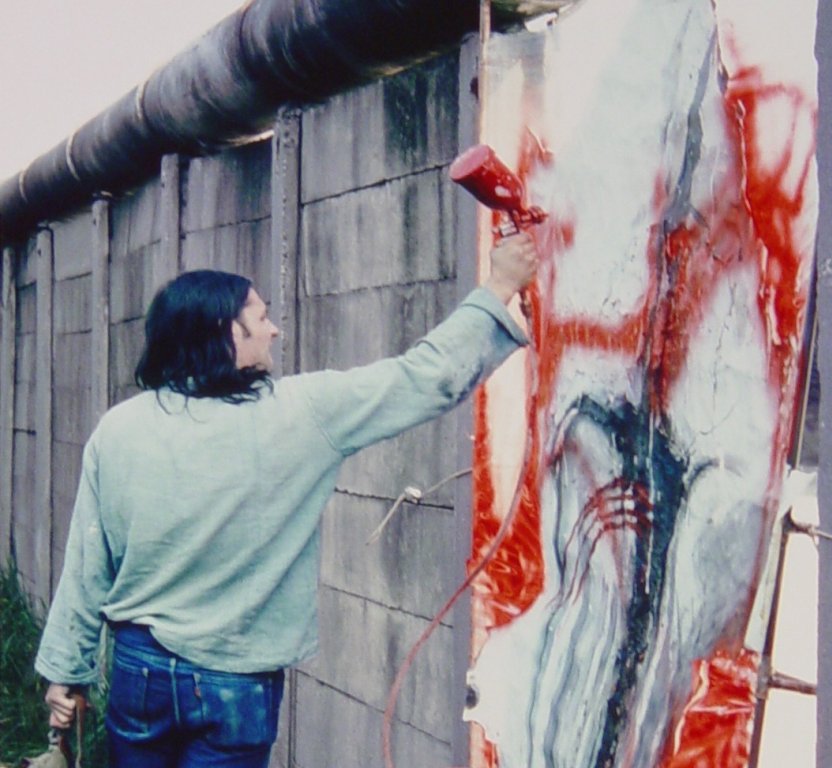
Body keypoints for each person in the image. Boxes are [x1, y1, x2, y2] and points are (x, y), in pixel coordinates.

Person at [34, 232, 538, 768]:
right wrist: (500, 286)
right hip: (235, 679)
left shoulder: (120, 428)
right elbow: (426, 378)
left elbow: (88, 562)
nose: (274, 328)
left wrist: (67, 671)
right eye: (261, 316)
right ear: (227, 332)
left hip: (140, 672)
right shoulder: (301, 412)